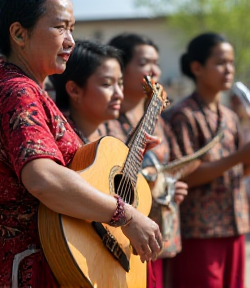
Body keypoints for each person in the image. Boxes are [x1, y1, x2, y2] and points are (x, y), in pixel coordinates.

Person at [0, 1, 163, 287]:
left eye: (72, 29)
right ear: (19, 34)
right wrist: (126, 216)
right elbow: (43, 178)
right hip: (29, 267)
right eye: (60, 27)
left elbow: (69, 176)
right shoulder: (18, 91)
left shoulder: (29, 89)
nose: (71, 41)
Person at [166, 32, 250, 288]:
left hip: (234, 225)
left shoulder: (229, 116)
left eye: (231, 63)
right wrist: (241, 156)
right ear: (197, 67)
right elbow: (183, 175)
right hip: (199, 231)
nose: (229, 69)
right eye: (220, 63)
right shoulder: (182, 116)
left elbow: (236, 172)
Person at [107, 33, 189, 288]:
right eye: (144, 63)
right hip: (116, 237)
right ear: (119, 68)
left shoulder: (159, 120)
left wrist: (171, 185)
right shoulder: (105, 120)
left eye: (157, 62)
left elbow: (177, 165)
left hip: (156, 233)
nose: (154, 70)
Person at [49, 39, 124, 143]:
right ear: (74, 90)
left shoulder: (116, 132)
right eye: (107, 84)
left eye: (120, 83)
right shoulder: (59, 143)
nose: (119, 95)